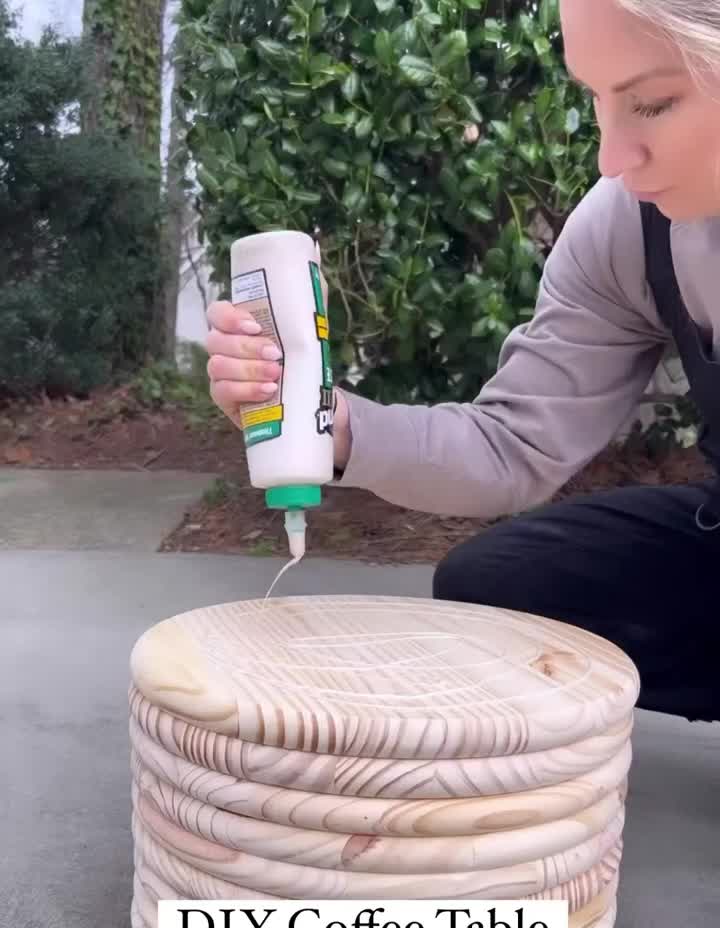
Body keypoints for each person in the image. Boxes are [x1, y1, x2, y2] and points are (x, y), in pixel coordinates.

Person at [206, 0, 720, 723]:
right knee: (505, 582)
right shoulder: (628, 227)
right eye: (596, 99)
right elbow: (512, 446)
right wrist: (329, 422)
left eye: (652, 101)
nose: (612, 155)